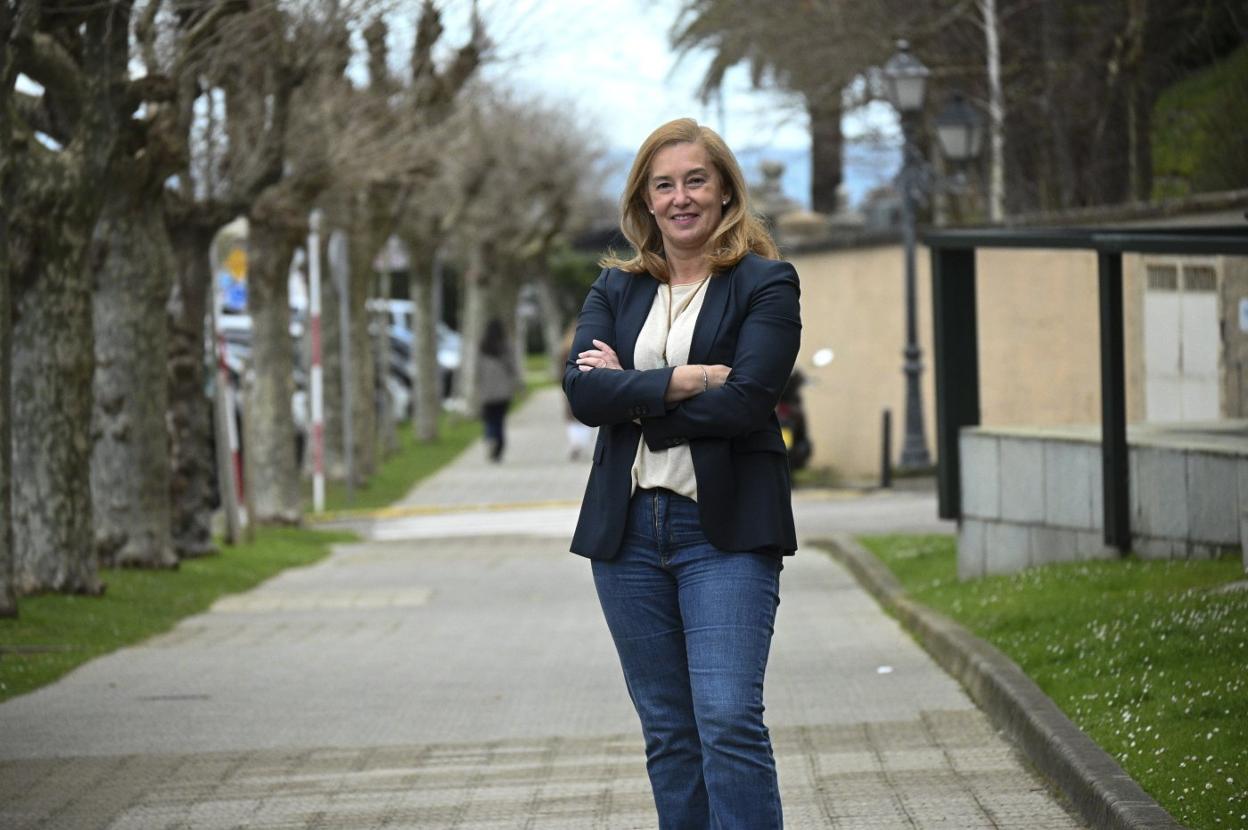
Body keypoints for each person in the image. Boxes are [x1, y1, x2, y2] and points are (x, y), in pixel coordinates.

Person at [563, 117, 801, 829]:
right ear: (644, 201)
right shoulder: (616, 289)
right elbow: (581, 394)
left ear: (726, 189)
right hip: (627, 534)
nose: (680, 197)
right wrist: (691, 378)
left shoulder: (766, 283)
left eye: (696, 179)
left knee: (727, 719)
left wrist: (634, 398)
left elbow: (748, 403)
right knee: (670, 732)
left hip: (722, 533)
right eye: (663, 185)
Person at [477, 318, 518, 462]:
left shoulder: (482, 346)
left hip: (487, 392)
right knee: (500, 421)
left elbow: (477, 370)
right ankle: (498, 448)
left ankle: (490, 438)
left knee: (489, 420)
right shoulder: (506, 346)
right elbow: (513, 366)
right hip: (503, 392)